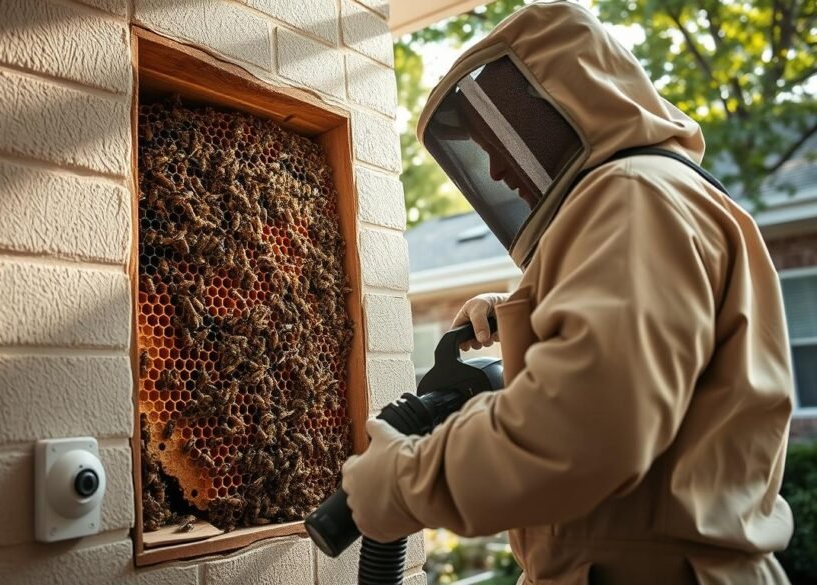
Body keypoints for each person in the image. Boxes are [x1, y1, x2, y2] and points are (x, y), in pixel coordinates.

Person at [339, 2, 795, 584]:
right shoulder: (656, 195)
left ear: (554, 105)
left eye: (500, 139)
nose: (499, 172)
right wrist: (523, 316)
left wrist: (405, 482)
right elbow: (645, 370)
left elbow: (588, 428)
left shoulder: (633, 195)